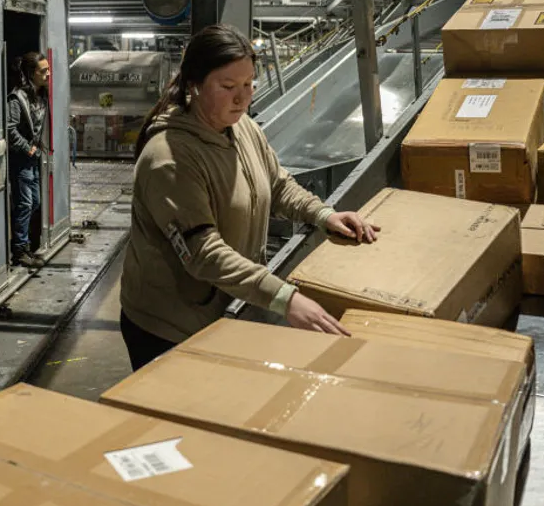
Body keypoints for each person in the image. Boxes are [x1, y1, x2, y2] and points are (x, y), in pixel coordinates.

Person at [120, 24, 380, 370]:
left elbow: (277, 184)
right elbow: (203, 253)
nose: (242, 98)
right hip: (170, 327)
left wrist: (323, 215)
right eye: (227, 87)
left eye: (248, 84)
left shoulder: (242, 128)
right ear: (194, 85)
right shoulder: (169, 159)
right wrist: (283, 298)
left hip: (221, 310)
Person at [6, 52, 52, 269]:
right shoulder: (17, 98)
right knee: (25, 203)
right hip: (22, 159)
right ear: (31, 73)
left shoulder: (40, 95)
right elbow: (10, 129)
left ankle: (25, 247)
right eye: (43, 71)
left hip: (31, 159)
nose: (48, 74)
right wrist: (28, 149)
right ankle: (19, 250)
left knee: (34, 202)